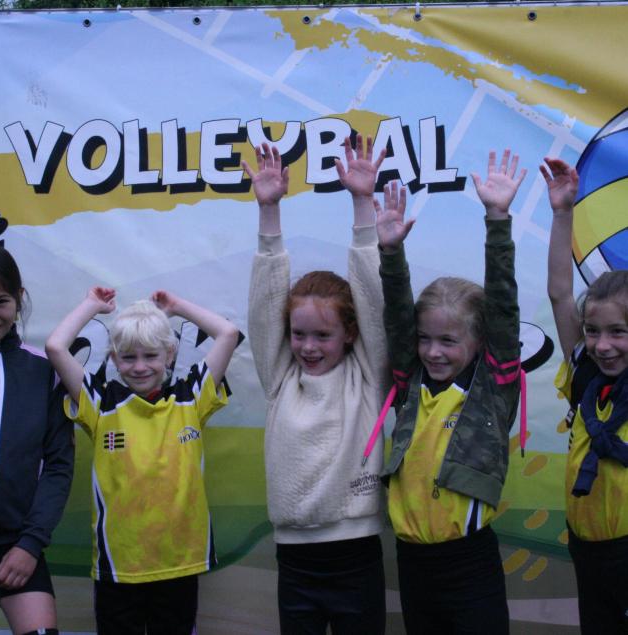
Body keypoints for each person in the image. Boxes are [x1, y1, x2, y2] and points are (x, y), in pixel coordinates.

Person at [374, 150, 526, 634]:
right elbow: (397, 320)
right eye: (426, 339)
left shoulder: (491, 388)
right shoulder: (410, 384)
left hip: (469, 564)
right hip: (413, 562)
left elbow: (502, 307)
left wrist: (497, 220)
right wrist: (391, 254)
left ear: (478, 342)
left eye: (448, 341)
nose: (433, 352)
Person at [243, 136, 389, 635]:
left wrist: (363, 203)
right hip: (296, 561)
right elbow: (266, 302)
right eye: (298, 334)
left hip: (357, 554)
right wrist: (269, 212)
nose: (308, 346)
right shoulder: (281, 379)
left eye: (322, 335)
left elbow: (371, 296)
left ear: (349, 334)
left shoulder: (368, 378)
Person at [45, 287, 239, 635]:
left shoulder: (191, 398)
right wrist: (91, 305)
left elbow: (228, 333)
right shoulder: (100, 404)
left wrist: (176, 306)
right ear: (114, 359)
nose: (139, 367)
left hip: (180, 564)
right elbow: (56, 347)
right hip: (118, 567)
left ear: (170, 354)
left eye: (150, 355)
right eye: (128, 357)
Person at [543, 157, 628, 634]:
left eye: (618, 332)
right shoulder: (585, 375)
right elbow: (560, 293)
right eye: (593, 331)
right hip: (588, 550)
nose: (602, 344)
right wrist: (563, 213)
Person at [0, 245, 74, 635]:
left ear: (18, 298)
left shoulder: (44, 371)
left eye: (0, 302)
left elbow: (58, 466)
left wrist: (30, 544)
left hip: (16, 542)